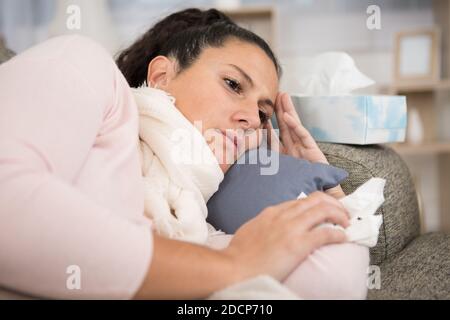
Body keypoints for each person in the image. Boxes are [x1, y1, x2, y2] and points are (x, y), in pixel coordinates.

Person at [0, 8, 365, 300]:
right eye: (233, 84)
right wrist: (233, 266)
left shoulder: (193, 222)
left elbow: (334, 279)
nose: (251, 118)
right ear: (160, 75)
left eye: (263, 113)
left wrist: (321, 187)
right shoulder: (87, 67)